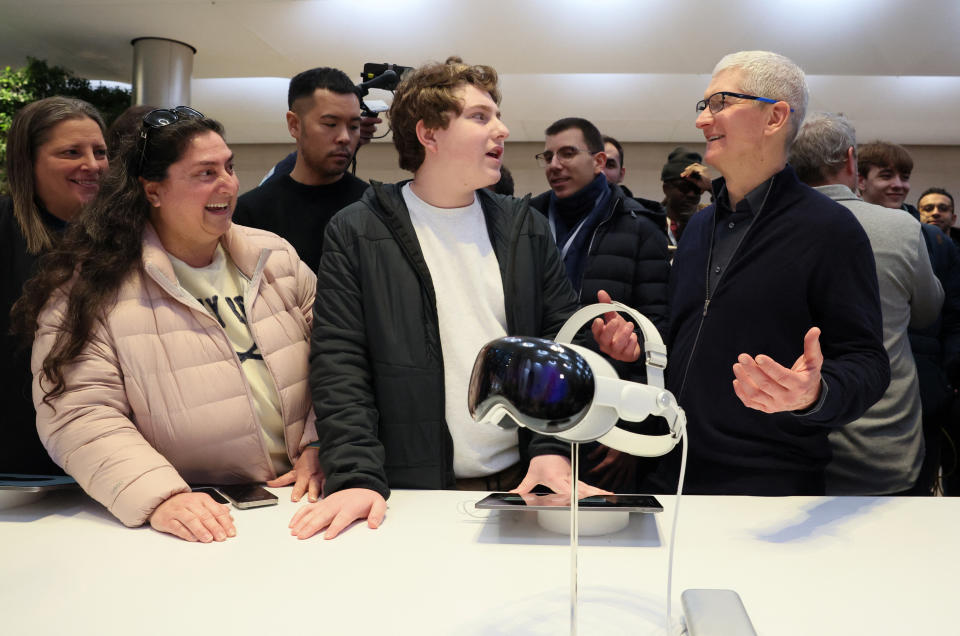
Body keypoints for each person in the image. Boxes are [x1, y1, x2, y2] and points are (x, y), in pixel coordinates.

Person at [290, 58, 636, 540]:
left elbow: (558, 352)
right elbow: (340, 364)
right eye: (480, 117)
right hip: (405, 494)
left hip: (523, 485)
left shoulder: (525, 228)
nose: (503, 129)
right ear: (429, 134)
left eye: (497, 115)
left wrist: (550, 453)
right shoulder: (357, 230)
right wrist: (354, 477)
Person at [13, 108, 320, 542]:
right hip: (193, 520)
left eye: (229, 167)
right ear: (153, 190)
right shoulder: (88, 285)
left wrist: (321, 443)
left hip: (302, 501)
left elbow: (339, 358)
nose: (229, 184)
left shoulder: (277, 258)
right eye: (205, 172)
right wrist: (160, 495)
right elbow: (77, 410)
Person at [605, 50, 889, 495]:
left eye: (721, 103)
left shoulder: (829, 229)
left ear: (775, 117)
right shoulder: (700, 226)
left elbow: (868, 362)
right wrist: (639, 348)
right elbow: (689, 336)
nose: (702, 120)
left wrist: (814, 394)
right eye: (704, 107)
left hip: (767, 484)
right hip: (670, 467)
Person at [790, 112, 943, 494]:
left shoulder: (763, 228)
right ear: (851, 161)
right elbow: (927, 312)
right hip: (884, 440)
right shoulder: (901, 228)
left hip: (787, 438)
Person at [530, 118, 670, 490]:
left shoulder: (641, 231)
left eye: (567, 153)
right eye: (547, 155)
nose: (554, 164)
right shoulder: (527, 223)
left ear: (598, 161)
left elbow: (658, 336)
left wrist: (632, 429)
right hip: (531, 406)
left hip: (606, 413)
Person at [1, 96, 108, 475]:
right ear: (28, 161)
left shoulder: (123, 236)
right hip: (21, 459)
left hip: (108, 452)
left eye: (99, 151)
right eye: (71, 152)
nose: (92, 165)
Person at [858, 141, 960, 493]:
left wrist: (947, 374)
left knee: (918, 489)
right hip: (860, 387)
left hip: (924, 388)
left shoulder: (933, 240)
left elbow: (950, 315)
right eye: (887, 176)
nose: (899, 185)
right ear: (860, 181)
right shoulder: (838, 231)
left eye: (904, 177)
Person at [233, 67, 370, 272]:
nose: (345, 137)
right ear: (294, 125)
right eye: (331, 124)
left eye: (353, 126)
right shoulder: (251, 214)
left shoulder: (373, 205)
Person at [659, 146, 711, 245]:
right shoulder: (651, 222)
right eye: (684, 187)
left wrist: (711, 187)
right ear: (666, 188)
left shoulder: (708, 223)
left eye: (697, 189)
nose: (691, 194)